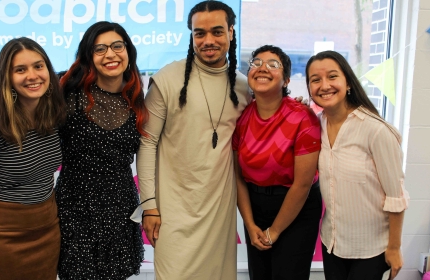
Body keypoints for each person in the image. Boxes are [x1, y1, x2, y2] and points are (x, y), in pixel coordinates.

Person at [136, 1, 251, 279]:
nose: (208, 40)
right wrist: (149, 205)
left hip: (218, 212)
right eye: (199, 33)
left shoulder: (243, 87)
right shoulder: (168, 79)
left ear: (231, 33)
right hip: (172, 209)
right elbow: (147, 143)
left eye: (217, 31)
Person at [0, 37, 65, 280]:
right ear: (7, 78)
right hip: (3, 235)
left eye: (39, 66)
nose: (33, 75)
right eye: (21, 69)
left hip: (47, 229)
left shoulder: (53, 116)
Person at [54, 21, 148, 279]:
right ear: (89, 57)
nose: (110, 54)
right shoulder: (67, 91)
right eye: (100, 49)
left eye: (117, 46)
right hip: (76, 207)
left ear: (128, 51)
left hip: (120, 206)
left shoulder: (137, 97)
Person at [305, 50, 409, 280]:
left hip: (371, 250)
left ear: (348, 83)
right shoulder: (315, 126)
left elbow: (396, 196)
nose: (324, 86)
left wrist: (394, 247)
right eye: (315, 80)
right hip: (332, 243)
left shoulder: (376, 130)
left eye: (332, 77)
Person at [232, 45, 322, 280]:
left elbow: (302, 184)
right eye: (256, 63)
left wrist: (275, 231)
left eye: (273, 65)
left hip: (296, 207)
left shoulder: (303, 117)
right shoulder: (242, 118)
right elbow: (238, 177)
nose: (262, 68)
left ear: (286, 80)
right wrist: (250, 225)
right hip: (256, 205)